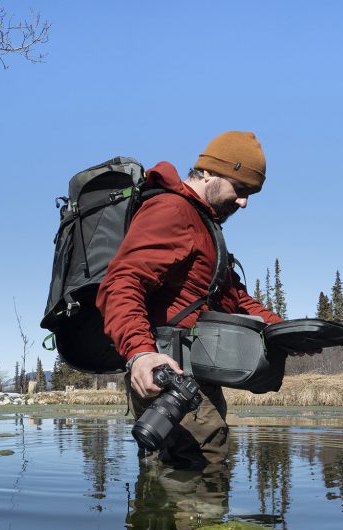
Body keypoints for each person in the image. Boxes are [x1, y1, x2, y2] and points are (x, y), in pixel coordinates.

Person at [96, 131, 282, 468]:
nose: (244, 203)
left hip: (195, 379)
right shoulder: (171, 210)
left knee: (175, 485)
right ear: (209, 172)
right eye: (240, 189)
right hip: (171, 376)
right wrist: (140, 352)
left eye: (251, 194)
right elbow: (121, 283)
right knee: (199, 484)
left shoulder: (203, 224)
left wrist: (284, 331)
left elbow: (232, 297)